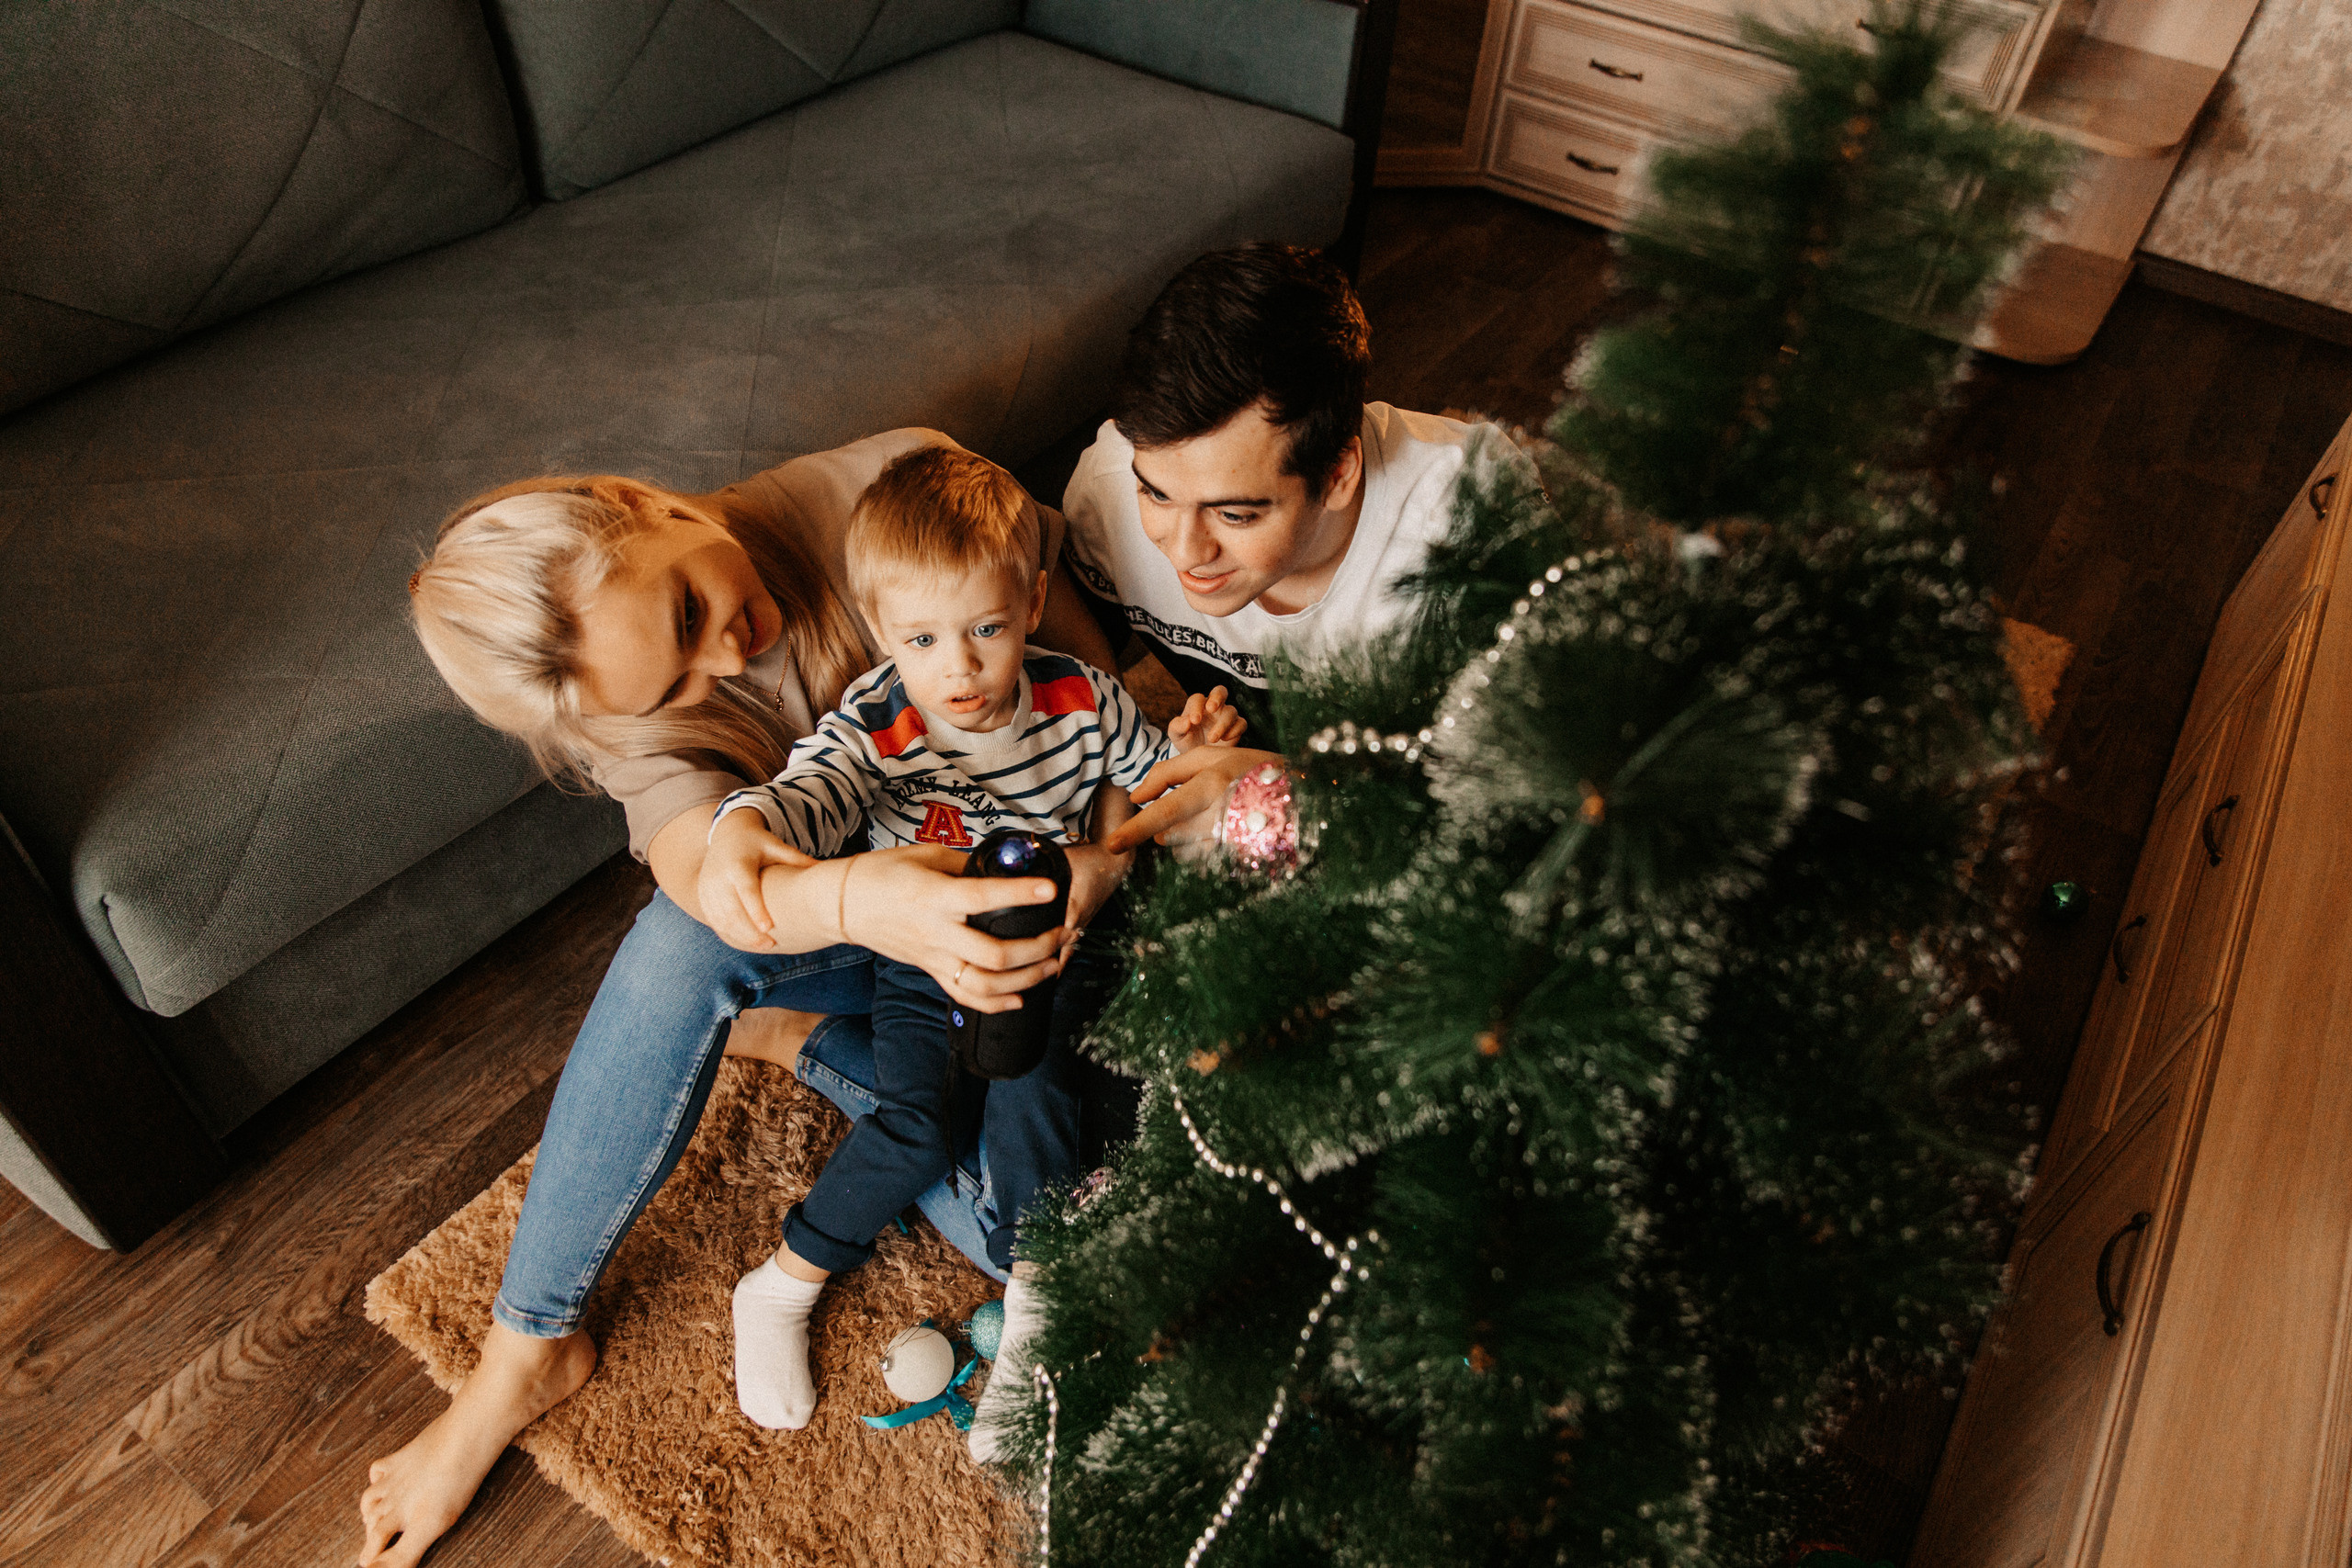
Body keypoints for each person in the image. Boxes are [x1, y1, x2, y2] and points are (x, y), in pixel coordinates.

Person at [359, 431, 1155, 1568]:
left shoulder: (901, 500)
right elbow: (714, 886)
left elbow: (1098, 704)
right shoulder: (663, 719)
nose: (722, 665)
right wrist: (860, 899)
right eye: (674, 687)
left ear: (647, 503)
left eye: (689, 613)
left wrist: (1101, 861)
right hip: (854, 936)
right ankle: (525, 1350)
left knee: (1046, 1208)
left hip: (1034, 902)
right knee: (683, 953)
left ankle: (805, 1049)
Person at [699, 445, 1239, 1438]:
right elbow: (802, 796)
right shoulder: (875, 723)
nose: (960, 669)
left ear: (1032, 603)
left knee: (1037, 1095)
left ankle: (1035, 1308)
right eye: (923, 639)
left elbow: (1157, 782)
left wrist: (1194, 756)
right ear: (880, 633)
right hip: (922, 956)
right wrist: (740, 827)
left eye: (986, 628)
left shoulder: (1080, 697)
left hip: (1053, 942)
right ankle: (782, 1282)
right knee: (920, 1123)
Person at [1069, 243, 1533, 856]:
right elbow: (1053, 654)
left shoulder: (1469, 526)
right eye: (1157, 494)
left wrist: (1283, 793)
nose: (1183, 550)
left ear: (1339, 471)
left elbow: (1538, 788)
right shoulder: (1108, 488)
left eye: (1235, 512)